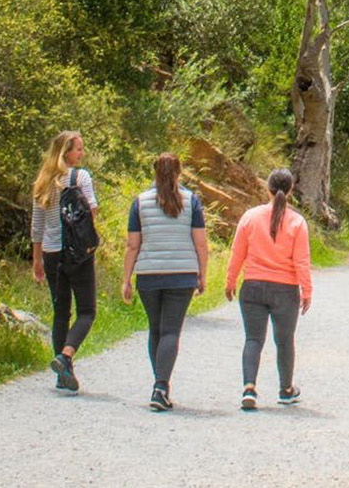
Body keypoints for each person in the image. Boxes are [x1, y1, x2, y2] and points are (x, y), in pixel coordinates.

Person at [120, 151, 209, 410]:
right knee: (171, 331)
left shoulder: (140, 202)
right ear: (179, 173)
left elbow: (132, 245)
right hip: (182, 275)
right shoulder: (191, 201)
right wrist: (202, 274)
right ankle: (160, 386)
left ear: (154, 172)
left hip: (148, 275)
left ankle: (160, 384)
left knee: (156, 329)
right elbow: (201, 243)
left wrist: (127, 279)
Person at [225, 167, 313, 410]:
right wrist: (306, 290)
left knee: (253, 339)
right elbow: (301, 260)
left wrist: (231, 280)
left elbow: (237, 253)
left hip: (252, 286)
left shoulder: (250, 217)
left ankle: (249, 388)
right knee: (284, 340)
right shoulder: (297, 222)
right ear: (291, 190)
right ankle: (286, 389)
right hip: (285, 289)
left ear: (268, 188)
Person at [29, 130, 98, 393]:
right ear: (65, 152)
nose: (82, 153)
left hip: (50, 252)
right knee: (87, 311)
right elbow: (92, 210)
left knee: (60, 312)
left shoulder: (43, 181)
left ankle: (62, 375)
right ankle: (66, 356)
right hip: (76, 252)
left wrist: (37, 259)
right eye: (78, 149)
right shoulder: (79, 177)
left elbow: (37, 225)